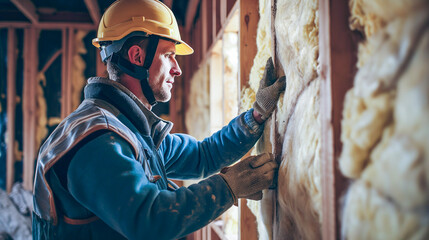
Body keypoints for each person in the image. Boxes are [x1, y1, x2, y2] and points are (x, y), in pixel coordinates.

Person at [32, 0, 286, 239]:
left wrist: (256, 115)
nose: (177, 69)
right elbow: (149, 221)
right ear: (137, 57)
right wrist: (228, 188)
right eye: (168, 55)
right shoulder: (98, 141)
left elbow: (203, 155)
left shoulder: (129, 129)